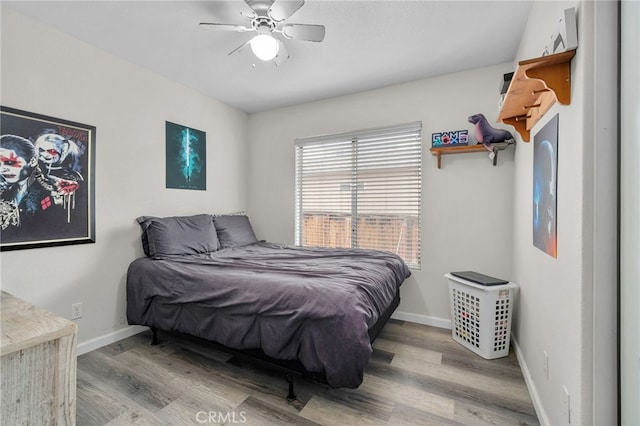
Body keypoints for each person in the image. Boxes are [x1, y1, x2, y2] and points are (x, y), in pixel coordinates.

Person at [0, 134, 61, 240]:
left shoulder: (47, 192)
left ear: (32, 161)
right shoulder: (7, 191)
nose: (2, 170)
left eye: (9, 163)